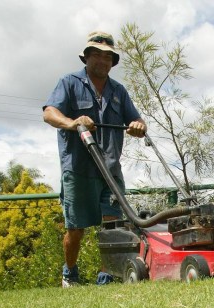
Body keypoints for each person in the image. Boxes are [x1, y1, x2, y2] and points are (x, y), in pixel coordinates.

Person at [42, 31, 147, 287]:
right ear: (86, 58)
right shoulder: (69, 82)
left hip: (110, 169)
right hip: (78, 168)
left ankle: (106, 274)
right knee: (76, 228)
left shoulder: (118, 92)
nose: (102, 60)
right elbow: (49, 113)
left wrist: (137, 125)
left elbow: (137, 120)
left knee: (113, 226)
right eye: (96, 55)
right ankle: (70, 273)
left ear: (113, 61)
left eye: (107, 56)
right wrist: (73, 122)